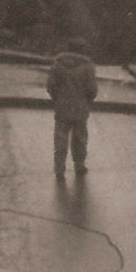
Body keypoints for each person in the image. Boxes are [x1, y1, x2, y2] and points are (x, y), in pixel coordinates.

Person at [46, 46, 98, 179]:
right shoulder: (88, 67)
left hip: (62, 107)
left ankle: (59, 169)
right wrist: (87, 101)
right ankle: (79, 166)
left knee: (60, 139)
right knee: (80, 139)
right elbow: (92, 89)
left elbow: (50, 85)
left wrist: (57, 98)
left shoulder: (58, 64)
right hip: (80, 108)